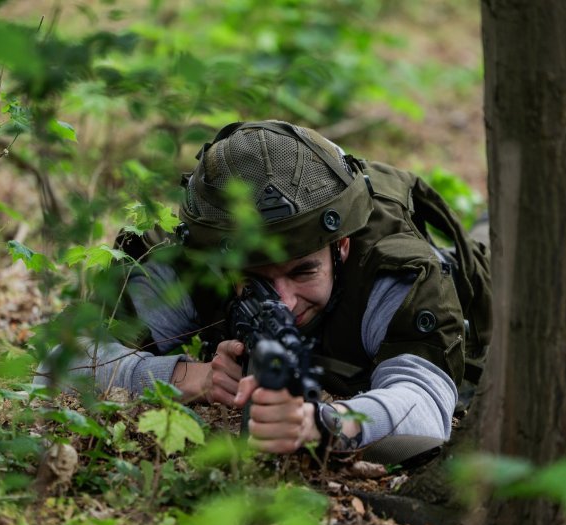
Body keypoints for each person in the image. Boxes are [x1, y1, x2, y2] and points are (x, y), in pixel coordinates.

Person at [35, 120, 491, 464]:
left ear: (341, 247)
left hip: (488, 284)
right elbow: (58, 363)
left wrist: (327, 425)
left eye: (303, 272)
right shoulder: (188, 267)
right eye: (258, 280)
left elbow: (426, 409)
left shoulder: (392, 272)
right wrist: (181, 377)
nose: (285, 301)